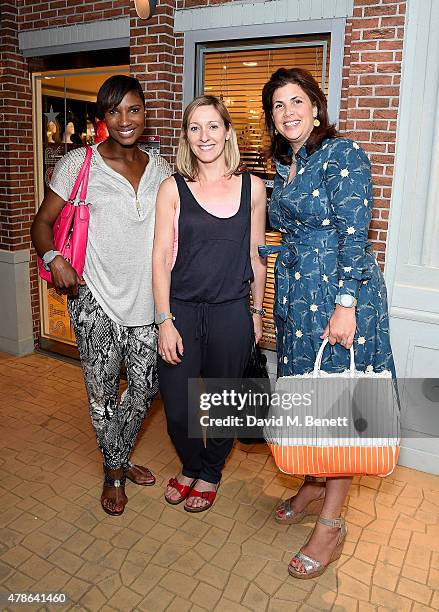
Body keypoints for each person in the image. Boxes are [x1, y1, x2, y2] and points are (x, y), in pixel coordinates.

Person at [260, 68, 395, 578]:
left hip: (341, 295)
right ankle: (314, 484)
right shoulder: (286, 162)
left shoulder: (344, 154)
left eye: (297, 101)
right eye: (278, 105)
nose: (288, 112)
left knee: (340, 407)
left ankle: (332, 523)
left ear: (316, 108)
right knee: (311, 398)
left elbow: (354, 233)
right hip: (299, 298)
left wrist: (345, 303)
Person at [31, 75, 171, 516]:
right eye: (115, 111)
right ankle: (114, 473)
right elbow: (41, 223)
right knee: (102, 393)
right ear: (103, 117)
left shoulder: (162, 168)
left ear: (144, 112)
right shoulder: (79, 163)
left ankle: (118, 455)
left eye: (133, 109)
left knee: (146, 388)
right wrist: (54, 257)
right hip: (95, 301)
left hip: (148, 303)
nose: (125, 120)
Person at [152, 95, 267, 513]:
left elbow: (257, 256)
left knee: (223, 404)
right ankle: (190, 464)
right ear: (186, 136)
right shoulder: (173, 188)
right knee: (179, 406)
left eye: (213, 126)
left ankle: (210, 473)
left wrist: (256, 314)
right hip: (180, 310)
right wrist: (164, 319)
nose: (205, 136)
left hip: (231, 311)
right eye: (195, 128)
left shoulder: (252, 186)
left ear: (227, 132)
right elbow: (161, 257)